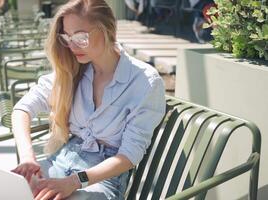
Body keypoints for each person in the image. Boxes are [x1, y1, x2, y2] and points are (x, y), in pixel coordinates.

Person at [11, 0, 166, 199]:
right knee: (10, 190)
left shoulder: (144, 81)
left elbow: (129, 156)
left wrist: (74, 181)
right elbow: (22, 109)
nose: (72, 45)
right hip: (60, 160)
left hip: (102, 178)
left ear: (107, 30)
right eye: (67, 37)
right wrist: (27, 157)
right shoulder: (73, 70)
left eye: (81, 37)